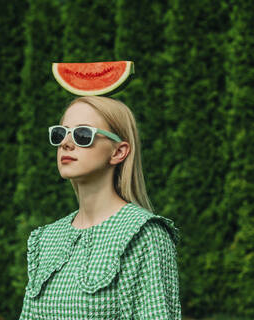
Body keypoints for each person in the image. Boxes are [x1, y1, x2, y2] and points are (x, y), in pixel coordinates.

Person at [18, 96, 182, 319]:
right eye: (60, 133)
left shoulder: (144, 235)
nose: (66, 143)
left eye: (82, 135)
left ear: (118, 152)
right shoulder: (46, 238)